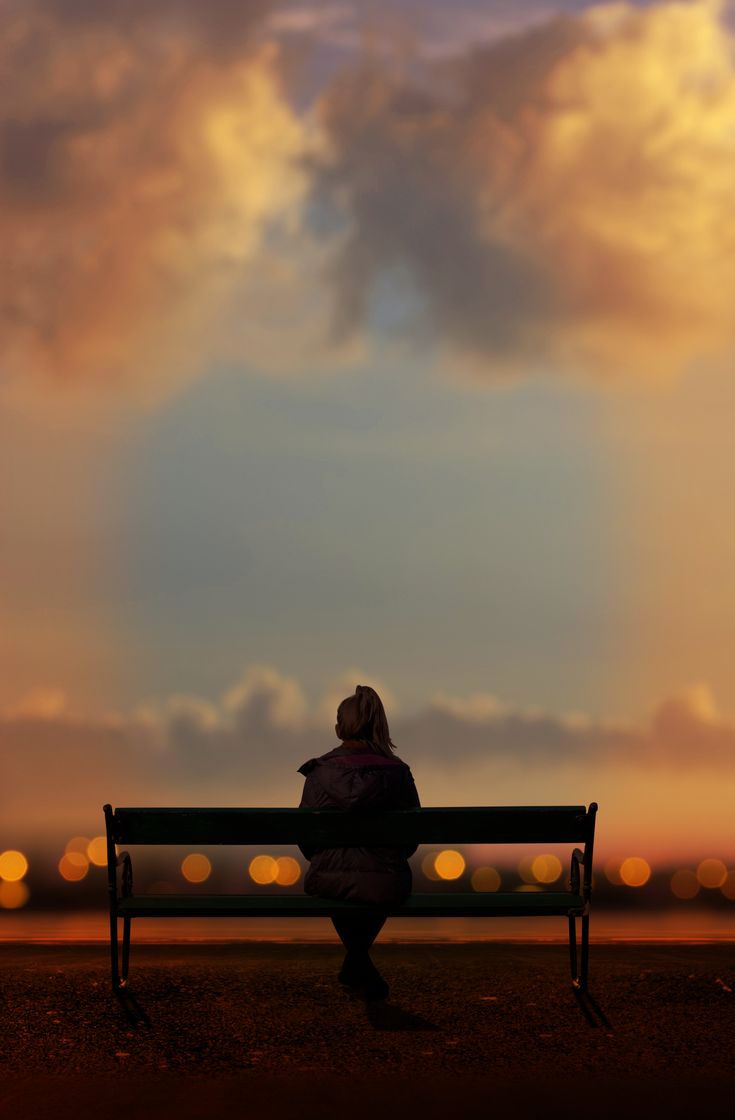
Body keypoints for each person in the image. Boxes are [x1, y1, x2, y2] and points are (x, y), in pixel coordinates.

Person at [297, 684, 420, 1000]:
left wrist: (326, 856)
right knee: (378, 879)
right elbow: (411, 838)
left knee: (338, 878)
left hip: (328, 876)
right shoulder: (399, 773)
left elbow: (306, 838)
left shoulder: (320, 771)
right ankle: (358, 961)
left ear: (340, 726)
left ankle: (357, 961)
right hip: (387, 878)